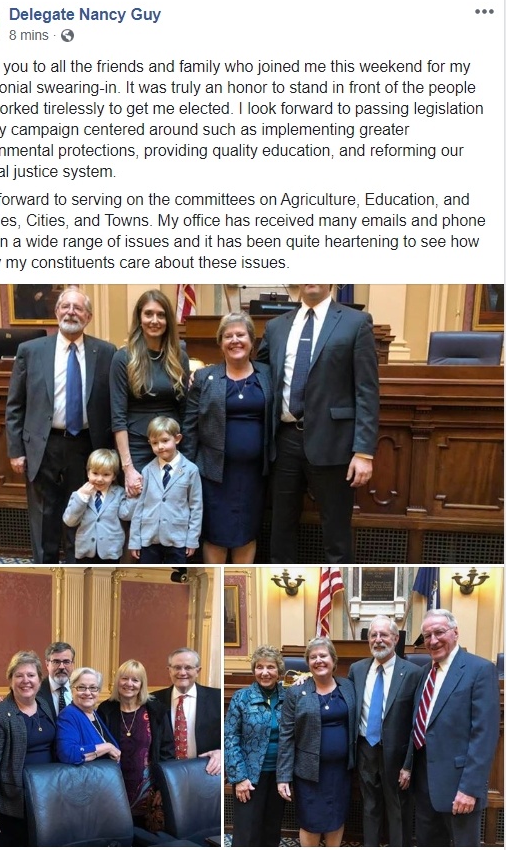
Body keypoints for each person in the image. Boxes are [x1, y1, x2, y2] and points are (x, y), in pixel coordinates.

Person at [256, 284, 379, 566]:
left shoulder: (355, 322)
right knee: (281, 528)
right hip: (284, 441)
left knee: (336, 531)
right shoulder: (276, 327)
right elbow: (259, 374)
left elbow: (367, 391)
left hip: (335, 442)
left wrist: (363, 452)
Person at [5, 288, 116, 563]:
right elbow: (15, 404)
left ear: (88, 316)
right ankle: (46, 572)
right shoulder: (30, 351)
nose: (71, 312)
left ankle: (76, 574)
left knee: (81, 515)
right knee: (44, 518)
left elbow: (114, 402)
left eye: (78, 309)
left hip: (87, 448)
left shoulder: (105, 352)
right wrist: (15, 450)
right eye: (65, 306)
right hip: (43, 446)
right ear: (56, 312)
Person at [181, 311, 273, 564]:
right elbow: (189, 426)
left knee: (247, 533)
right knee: (216, 535)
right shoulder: (204, 377)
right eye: (228, 336)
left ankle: (240, 581)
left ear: (252, 340)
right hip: (213, 475)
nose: (235, 340)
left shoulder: (267, 375)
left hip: (255, 475)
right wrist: (185, 469)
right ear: (220, 342)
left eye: (241, 335)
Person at [412, 609, 500, 847]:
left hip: (459, 786)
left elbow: (484, 735)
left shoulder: (479, 670)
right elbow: (420, 724)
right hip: (425, 784)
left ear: (455, 633)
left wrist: (470, 789)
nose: (433, 640)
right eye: (427, 635)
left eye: (439, 632)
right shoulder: (424, 673)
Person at [348, 615, 423, 846]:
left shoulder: (413, 672)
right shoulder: (357, 669)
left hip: (398, 756)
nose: (378, 640)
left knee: (398, 808)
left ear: (395, 638)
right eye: (373, 635)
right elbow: (342, 693)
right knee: (369, 806)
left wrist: (409, 765)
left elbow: (416, 722)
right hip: (365, 749)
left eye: (384, 635)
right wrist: (306, 680)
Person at [277, 637, 356, 847]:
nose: (318, 660)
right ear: (307, 663)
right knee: (311, 822)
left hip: (341, 771)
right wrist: (283, 777)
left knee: (336, 818)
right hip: (308, 773)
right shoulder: (296, 692)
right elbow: (286, 735)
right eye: (313, 657)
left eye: (323, 656)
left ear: (333, 659)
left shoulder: (348, 687)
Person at [110, 289, 189, 497]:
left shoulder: (179, 357)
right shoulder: (123, 358)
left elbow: (185, 408)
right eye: (148, 314)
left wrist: (185, 455)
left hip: (171, 446)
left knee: (171, 510)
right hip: (137, 447)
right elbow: (118, 416)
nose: (155, 320)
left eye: (161, 315)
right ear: (139, 318)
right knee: (139, 513)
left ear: (168, 320)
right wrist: (127, 468)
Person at [0, 651, 55, 847]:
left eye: (31, 675)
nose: (25, 680)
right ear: (10, 680)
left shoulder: (44, 704)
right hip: (12, 804)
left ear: (39, 679)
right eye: (19, 675)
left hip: (46, 799)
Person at [97, 660, 174, 829]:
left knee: (145, 837)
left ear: (142, 684)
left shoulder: (156, 709)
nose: (129, 684)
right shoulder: (105, 709)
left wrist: (164, 787)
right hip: (113, 787)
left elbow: (167, 751)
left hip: (149, 791)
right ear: (118, 681)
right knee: (117, 834)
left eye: (135, 680)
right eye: (124, 678)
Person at [224, 645, 286, 847]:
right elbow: (230, 737)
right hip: (249, 777)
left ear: (279, 671)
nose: (265, 672)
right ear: (254, 670)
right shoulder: (241, 697)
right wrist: (239, 778)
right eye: (260, 667)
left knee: (271, 830)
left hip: (279, 776)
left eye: (270, 667)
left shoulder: (289, 698)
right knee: (247, 833)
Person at [128, 417, 202, 564]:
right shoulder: (147, 470)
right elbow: (140, 506)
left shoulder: (191, 470)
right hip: (149, 538)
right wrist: (135, 540)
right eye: (155, 443)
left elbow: (196, 506)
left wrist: (192, 539)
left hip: (178, 538)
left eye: (165, 440)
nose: (160, 447)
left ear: (177, 439)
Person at [154, 648, 221, 776]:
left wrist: (221, 752)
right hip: (167, 776)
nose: (182, 672)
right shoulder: (154, 701)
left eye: (188, 667)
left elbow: (231, 736)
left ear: (198, 671)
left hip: (207, 773)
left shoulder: (217, 698)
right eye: (177, 667)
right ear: (169, 670)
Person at [63, 449, 135, 562]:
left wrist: (132, 496)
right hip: (85, 551)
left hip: (110, 551)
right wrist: (81, 498)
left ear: (114, 476)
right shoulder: (79, 494)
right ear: (88, 473)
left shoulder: (119, 493)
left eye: (106, 474)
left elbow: (126, 515)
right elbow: (69, 521)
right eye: (95, 473)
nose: (100, 479)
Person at [56, 668, 121, 765]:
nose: (87, 692)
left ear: (98, 691)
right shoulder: (68, 715)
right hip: (87, 779)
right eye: (81, 687)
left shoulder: (93, 713)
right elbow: (67, 753)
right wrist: (106, 747)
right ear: (71, 689)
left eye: (93, 688)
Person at [39, 642, 76, 721]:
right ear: (47, 664)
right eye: (56, 662)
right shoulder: (36, 692)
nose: (62, 667)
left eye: (66, 662)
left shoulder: (80, 690)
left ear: (73, 664)